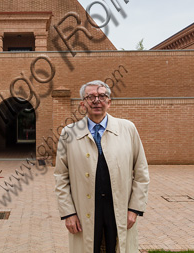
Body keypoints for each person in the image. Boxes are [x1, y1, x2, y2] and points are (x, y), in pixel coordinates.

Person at [54, 80, 149, 252]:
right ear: (83, 104)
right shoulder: (69, 133)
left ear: (109, 102)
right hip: (85, 210)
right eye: (91, 97)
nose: (97, 101)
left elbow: (142, 172)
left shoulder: (128, 129)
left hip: (119, 208)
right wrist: (69, 213)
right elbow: (61, 176)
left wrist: (134, 209)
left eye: (102, 96)